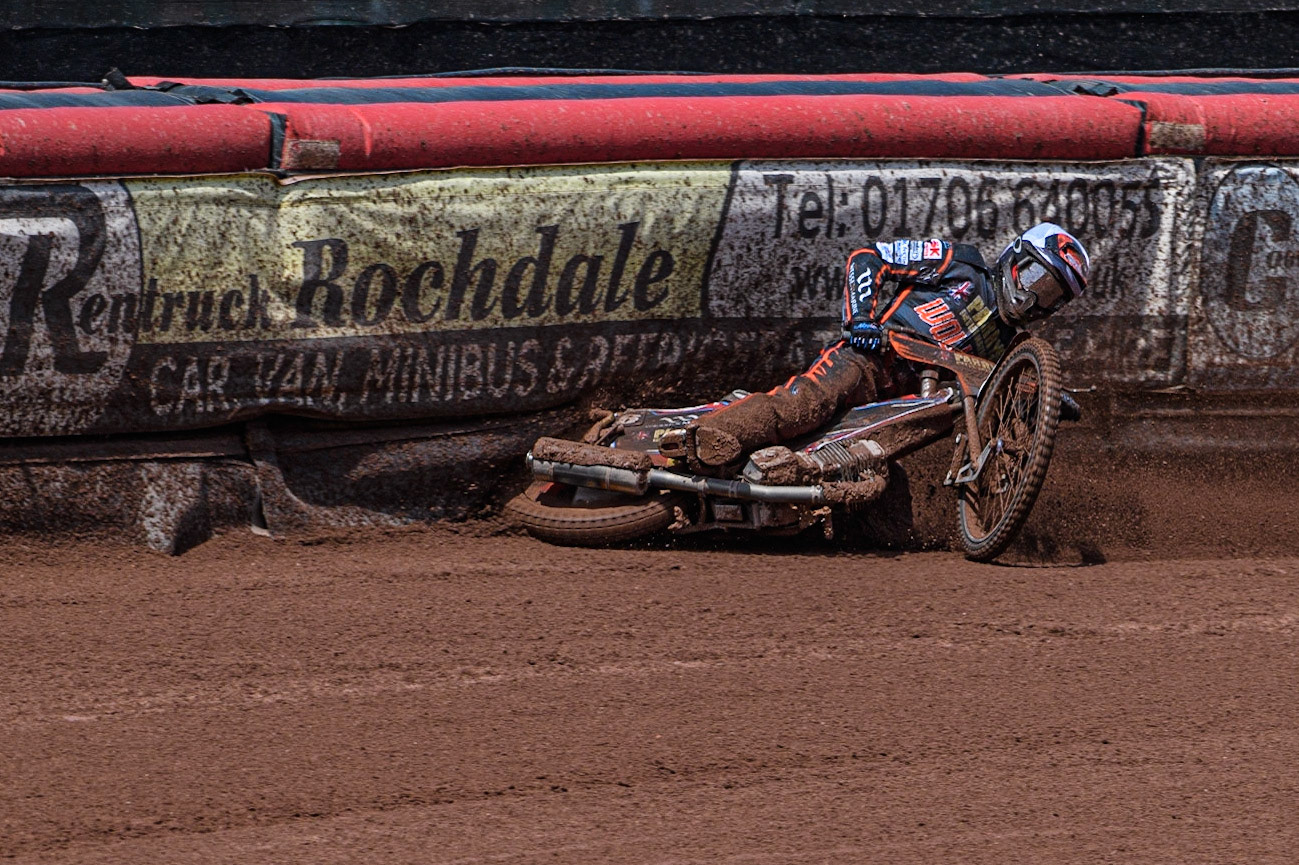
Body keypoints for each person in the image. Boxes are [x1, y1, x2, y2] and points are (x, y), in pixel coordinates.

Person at [680, 221, 1090, 468]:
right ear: (1016, 258)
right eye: (1039, 281)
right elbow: (869, 256)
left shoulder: (1017, 347)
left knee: (883, 500)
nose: (1037, 299)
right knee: (802, 408)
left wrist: (1047, 398)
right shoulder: (960, 261)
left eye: (1053, 295)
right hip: (871, 358)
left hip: (909, 408)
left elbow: (1010, 393)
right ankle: (707, 436)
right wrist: (861, 318)